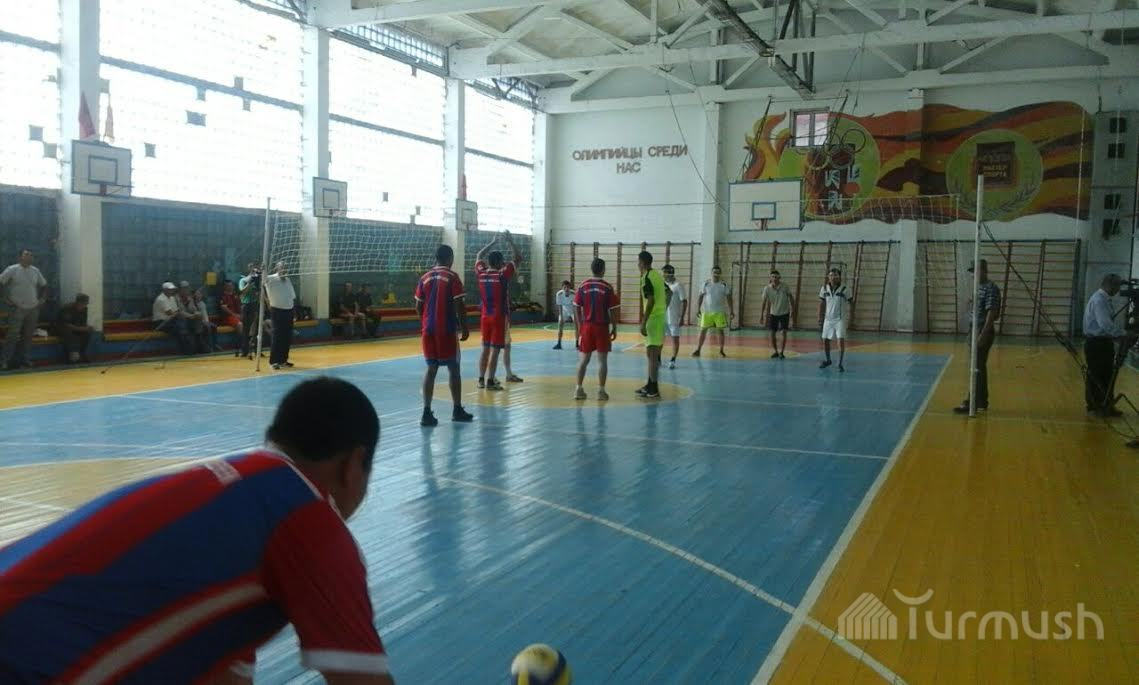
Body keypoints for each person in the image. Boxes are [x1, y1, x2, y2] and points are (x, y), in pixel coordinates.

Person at [0, 377, 395, 684]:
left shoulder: (227, 494)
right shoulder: (308, 521)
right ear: (353, 465)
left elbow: (223, 676)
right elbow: (362, 681)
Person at [415, 244, 473, 426]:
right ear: (450, 259)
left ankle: (426, 412)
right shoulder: (452, 277)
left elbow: (418, 306)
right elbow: (459, 304)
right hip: (446, 329)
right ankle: (457, 409)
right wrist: (464, 327)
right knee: (454, 369)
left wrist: (425, 322)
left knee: (431, 369)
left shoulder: (424, 278)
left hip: (428, 330)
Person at [953, 259, 1001, 413]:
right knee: (978, 366)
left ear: (984, 271)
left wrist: (983, 334)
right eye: (972, 272)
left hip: (982, 329)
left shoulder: (991, 288)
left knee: (976, 367)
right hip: (974, 328)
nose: (973, 275)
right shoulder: (979, 287)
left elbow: (991, 314)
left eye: (975, 271)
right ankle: (981, 401)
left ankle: (971, 401)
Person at [475, 233, 521, 391]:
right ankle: (490, 381)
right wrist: (511, 241)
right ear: (500, 263)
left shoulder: (481, 273)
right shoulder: (502, 275)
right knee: (495, 350)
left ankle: (481, 380)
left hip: (485, 316)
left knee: (485, 349)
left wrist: (493, 242)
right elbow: (518, 258)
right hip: (499, 317)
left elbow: (479, 255)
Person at [574, 258, 620, 400]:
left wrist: (579, 326)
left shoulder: (583, 286)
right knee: (602, 361)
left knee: (583, 360)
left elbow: (576, 307)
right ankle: (601, 391)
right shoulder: (607, 287)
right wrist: (614, 327)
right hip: (602, 327)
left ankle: (578, 390)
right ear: (603, 270)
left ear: (591, 269)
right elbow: (613, 310)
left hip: (587, 327)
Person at [1082, 273, 1125, 418]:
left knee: (1107, 375)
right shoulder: (1099, 300)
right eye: (1117, 286)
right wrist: (1123, 334)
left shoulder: (1104, 299)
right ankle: (1094, 407)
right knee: (1096, 375)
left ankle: (1107, 404)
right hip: (1097, 343)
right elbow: (1105, 324)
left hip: (1104, 342)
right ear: (1110, 285)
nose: (1118, 290)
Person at [1, 248, 48, 370]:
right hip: (17, 308)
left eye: (31, 255)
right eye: (27, 254)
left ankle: (24, 359)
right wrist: (5, 298)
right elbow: (1, 282)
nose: (30, 257)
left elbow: (44, 285)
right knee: (12, 336)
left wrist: (42, 299)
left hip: (33, 308)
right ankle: (4, 360)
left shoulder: (35, 271)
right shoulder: (12, 269)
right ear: (20, 257)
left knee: (28, 336)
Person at [637, 250, 670, 398]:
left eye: (638, 262)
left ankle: (654, 389)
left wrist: (644, 321)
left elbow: (650, 301)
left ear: (642, 263)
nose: (638, 265)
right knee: (651, 354)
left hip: (653, 319)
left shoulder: (647, 277)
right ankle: (650, 384)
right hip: (659, 317)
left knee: (652, 355)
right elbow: (668, 292)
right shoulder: (657, 275)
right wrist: (663, 308)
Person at [692, 266, 733, 357]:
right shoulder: (705, 284)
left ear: (720, 274)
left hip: (719, 312)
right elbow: (700, 296)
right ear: (711, 273)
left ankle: (721, 350)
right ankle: (698, 350)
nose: (716, 274)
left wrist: (731, 311)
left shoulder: (724, 285)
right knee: (703, 330)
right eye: (714, 272)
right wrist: (698, 309)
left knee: (720, 331)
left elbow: (729, 298)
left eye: (718, 272)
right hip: (706, 312)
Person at [818, 268, 853, 372]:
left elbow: (851, 303)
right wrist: (820, 316)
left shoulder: (845, 289)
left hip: (840, 319)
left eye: (835, 275)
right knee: (825, 340)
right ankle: (828, 360)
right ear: (828, 277)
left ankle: (840, 363)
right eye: (831, 275)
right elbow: (821, 303)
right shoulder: (824, 288)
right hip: (828, 319)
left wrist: (851, 317)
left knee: (840, 340)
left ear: (839, 277)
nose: (833, 277)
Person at [264, 261, 296, 370]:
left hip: (289, 311)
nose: (284, 269)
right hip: (277, 311)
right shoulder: (271, 278)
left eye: (286, 267)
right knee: (277, 336)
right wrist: (263, 269)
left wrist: (294, 312)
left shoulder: (288, 280)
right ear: (277, 268)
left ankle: (283, 360)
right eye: (282, 267)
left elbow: (292, 297)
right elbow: (262, 279)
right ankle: (274, 361)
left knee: (287, 337)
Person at [760, 269, 794, 359]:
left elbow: (791, 298)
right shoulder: (767, 288)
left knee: (783, 332)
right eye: (773, 277)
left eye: (776, 277)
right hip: (773, 313)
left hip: (784, 313)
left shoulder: (785, 286)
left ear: (779, 278)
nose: (774, 278)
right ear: (770, 278)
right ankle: (775, 351)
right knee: (772, 333)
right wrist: (761, 315)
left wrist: (793, 310)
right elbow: (764, 302)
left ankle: (782, 352)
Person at [55, 292, 93, 364]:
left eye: (86, 304)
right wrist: (81, 328)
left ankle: (81, 354)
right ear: (79, 302)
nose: (85, 305)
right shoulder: (67, 308)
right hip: (62, 328)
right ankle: (72, 356)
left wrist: (87, 328)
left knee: (87, 334)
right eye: (84, 303)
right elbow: (66, 325)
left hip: (75, 327)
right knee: (69, 334)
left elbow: (82, 323)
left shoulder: (84, 309)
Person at [662, 265, 687, 369]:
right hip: (662, 317)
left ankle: (673, 360)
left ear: (670, 273)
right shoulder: (662, 285)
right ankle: (658, 359)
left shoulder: (678, 285)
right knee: (660, 339)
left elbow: (684, 301)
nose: (663, 275)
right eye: (663, 272)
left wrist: (682, 317)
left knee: (675, 339)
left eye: (665, 272)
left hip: (674, 318)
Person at [218, 280, 247, 357]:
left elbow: (241, 305)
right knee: (240, 325)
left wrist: (241, 314)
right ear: (224, 287)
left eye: (231, 285)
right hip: (227, 317)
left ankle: (249, 344)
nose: (230, 287)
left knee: (250, 323)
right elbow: (224, 308)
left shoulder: (236, 295)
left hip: (238, 316)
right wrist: (235, 315)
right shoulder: (222, 296)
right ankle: (241, 346)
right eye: (228, 286)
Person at [553, 280, 578, 350]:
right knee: (560, 325)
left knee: (577, 325)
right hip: (564, 310)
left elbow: (575, 306)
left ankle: (577, 344)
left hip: (572, 310)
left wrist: (575, 317)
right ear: (562, 288)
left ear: (570, 287)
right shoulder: (559, 294)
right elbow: (560, 306)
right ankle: (559, 343)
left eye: (568, 287)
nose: (566, 289)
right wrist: (561, 317)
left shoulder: (574, 294)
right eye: (565, 287)